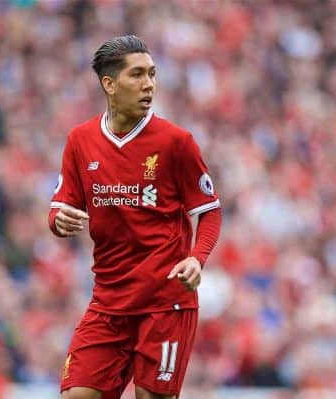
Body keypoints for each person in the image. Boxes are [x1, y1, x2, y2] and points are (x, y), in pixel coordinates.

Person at [48, 35, 222, 399]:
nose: (149, 84)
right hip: (109, 300)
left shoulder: (176, 142)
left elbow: (209, 211)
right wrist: (59, 221)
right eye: (137, 74)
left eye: (152, 74)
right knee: (77, 395)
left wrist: (196, 258)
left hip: (165, 301)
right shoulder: (80, 140)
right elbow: (61, 206)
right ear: (109, 84)